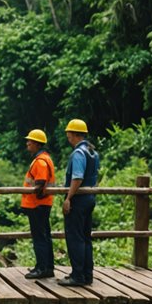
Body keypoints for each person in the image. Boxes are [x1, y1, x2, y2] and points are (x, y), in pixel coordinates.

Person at [60, 119, 100, 287]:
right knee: (85, 238)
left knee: (75, 237)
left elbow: (77, 177)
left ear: (74, 134)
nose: (68, 137)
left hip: (78, 199)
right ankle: (86, 274)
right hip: (89, 198)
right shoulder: (93, 152)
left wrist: (68, 198)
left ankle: (77, 275)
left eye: (69, 134)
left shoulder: (78, 153)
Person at [21, 129, 56, 279]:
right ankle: (47, 267)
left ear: (37, 143)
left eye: (30, 141)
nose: (27, 143)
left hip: (37, 205)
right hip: (42, 204)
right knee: (45, 236)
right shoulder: (44, 158)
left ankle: (42, 268)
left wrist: (37, 197)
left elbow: (40, 183)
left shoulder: (40, 161)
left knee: (39, 237)